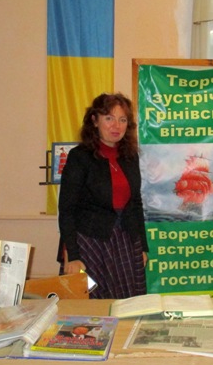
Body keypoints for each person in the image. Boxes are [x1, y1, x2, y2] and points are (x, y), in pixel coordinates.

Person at [57, 92, 148, 299]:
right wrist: (73, 255)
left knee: (128, 303)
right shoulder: (80, 157)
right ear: (95, 121)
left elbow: (136, 203)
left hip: (126, 241)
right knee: (92, 305)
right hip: (90, 242)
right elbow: (67, 209)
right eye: (109, 118)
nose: (116, 126)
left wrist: (142, 247)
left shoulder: (130, 156)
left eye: (122, 120)